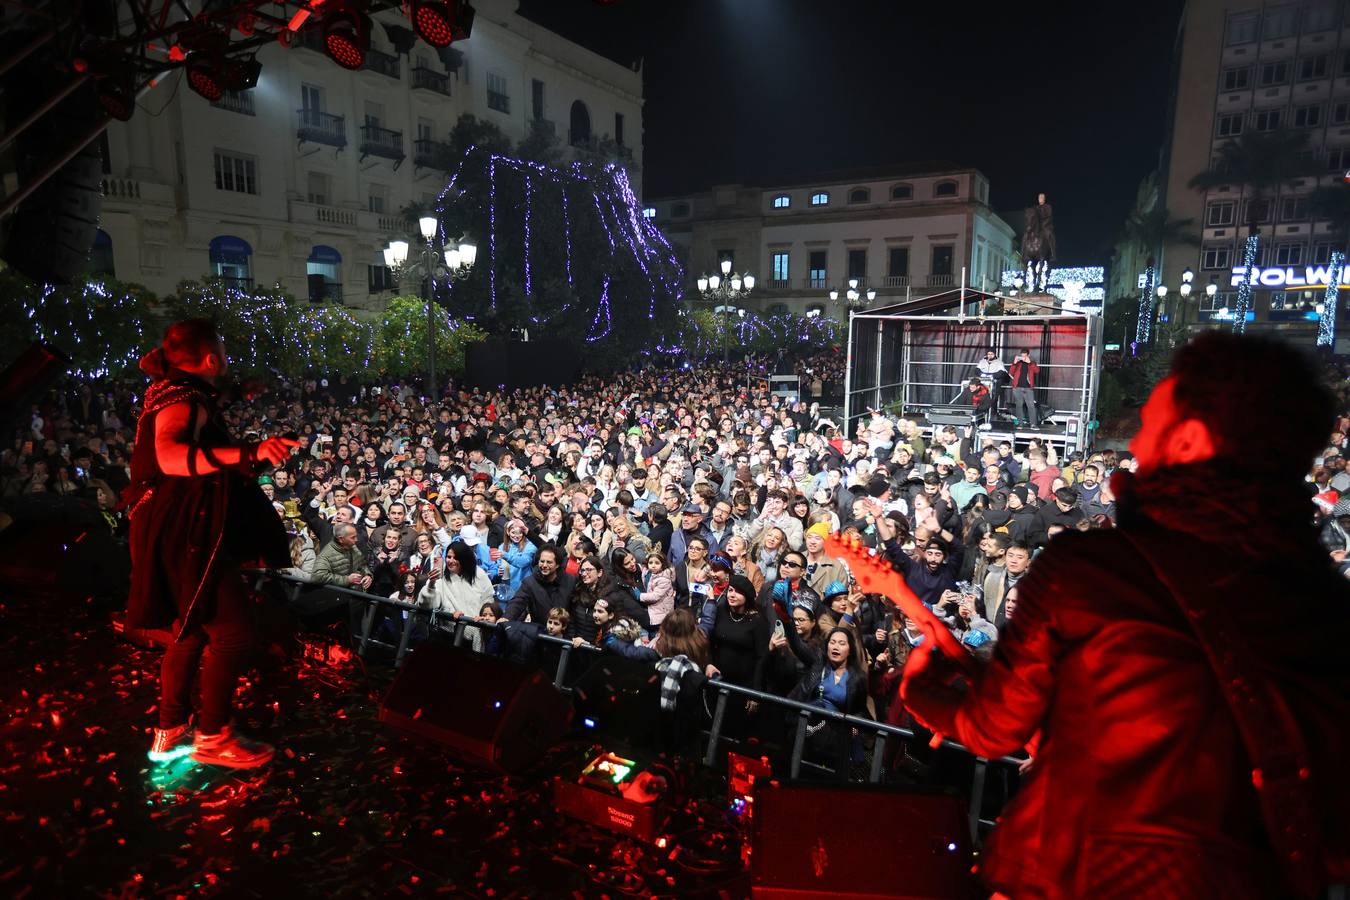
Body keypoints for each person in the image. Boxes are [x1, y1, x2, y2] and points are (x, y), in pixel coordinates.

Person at [901, 333, 1350, 900]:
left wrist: (922, 690)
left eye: (1150, 425)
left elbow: (992, 727)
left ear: (1188, 440)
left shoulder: (1090, 572)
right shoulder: (1325, 606)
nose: (1137, 442)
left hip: (1077, 870)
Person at [129, 320, 296, 768]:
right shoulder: (183, 398)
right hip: (188, 534)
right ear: (210, 359)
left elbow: (201, 411)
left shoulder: (179, 390)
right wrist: (249, 452)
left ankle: (169, 730)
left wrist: (236, 394)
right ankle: (213, 737)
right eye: (223, 349)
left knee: (191, 628)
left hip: (171, 527)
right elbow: (170, 455)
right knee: (235, 635)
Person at [1007, 349, 1040, 429]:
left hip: (1028, 388)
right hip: (1017, 387)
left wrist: (1030, 363)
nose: (1023, 357)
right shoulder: (1018, 363)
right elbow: (1011, 372)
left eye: (1025, 356)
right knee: (1019, 406)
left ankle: (1033, 424)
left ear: (1028, 355)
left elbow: (1037, 371)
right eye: (1022, 356)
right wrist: (1014, 363)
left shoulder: (1032, 363)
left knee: (1031, 406)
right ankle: (1020, 424)